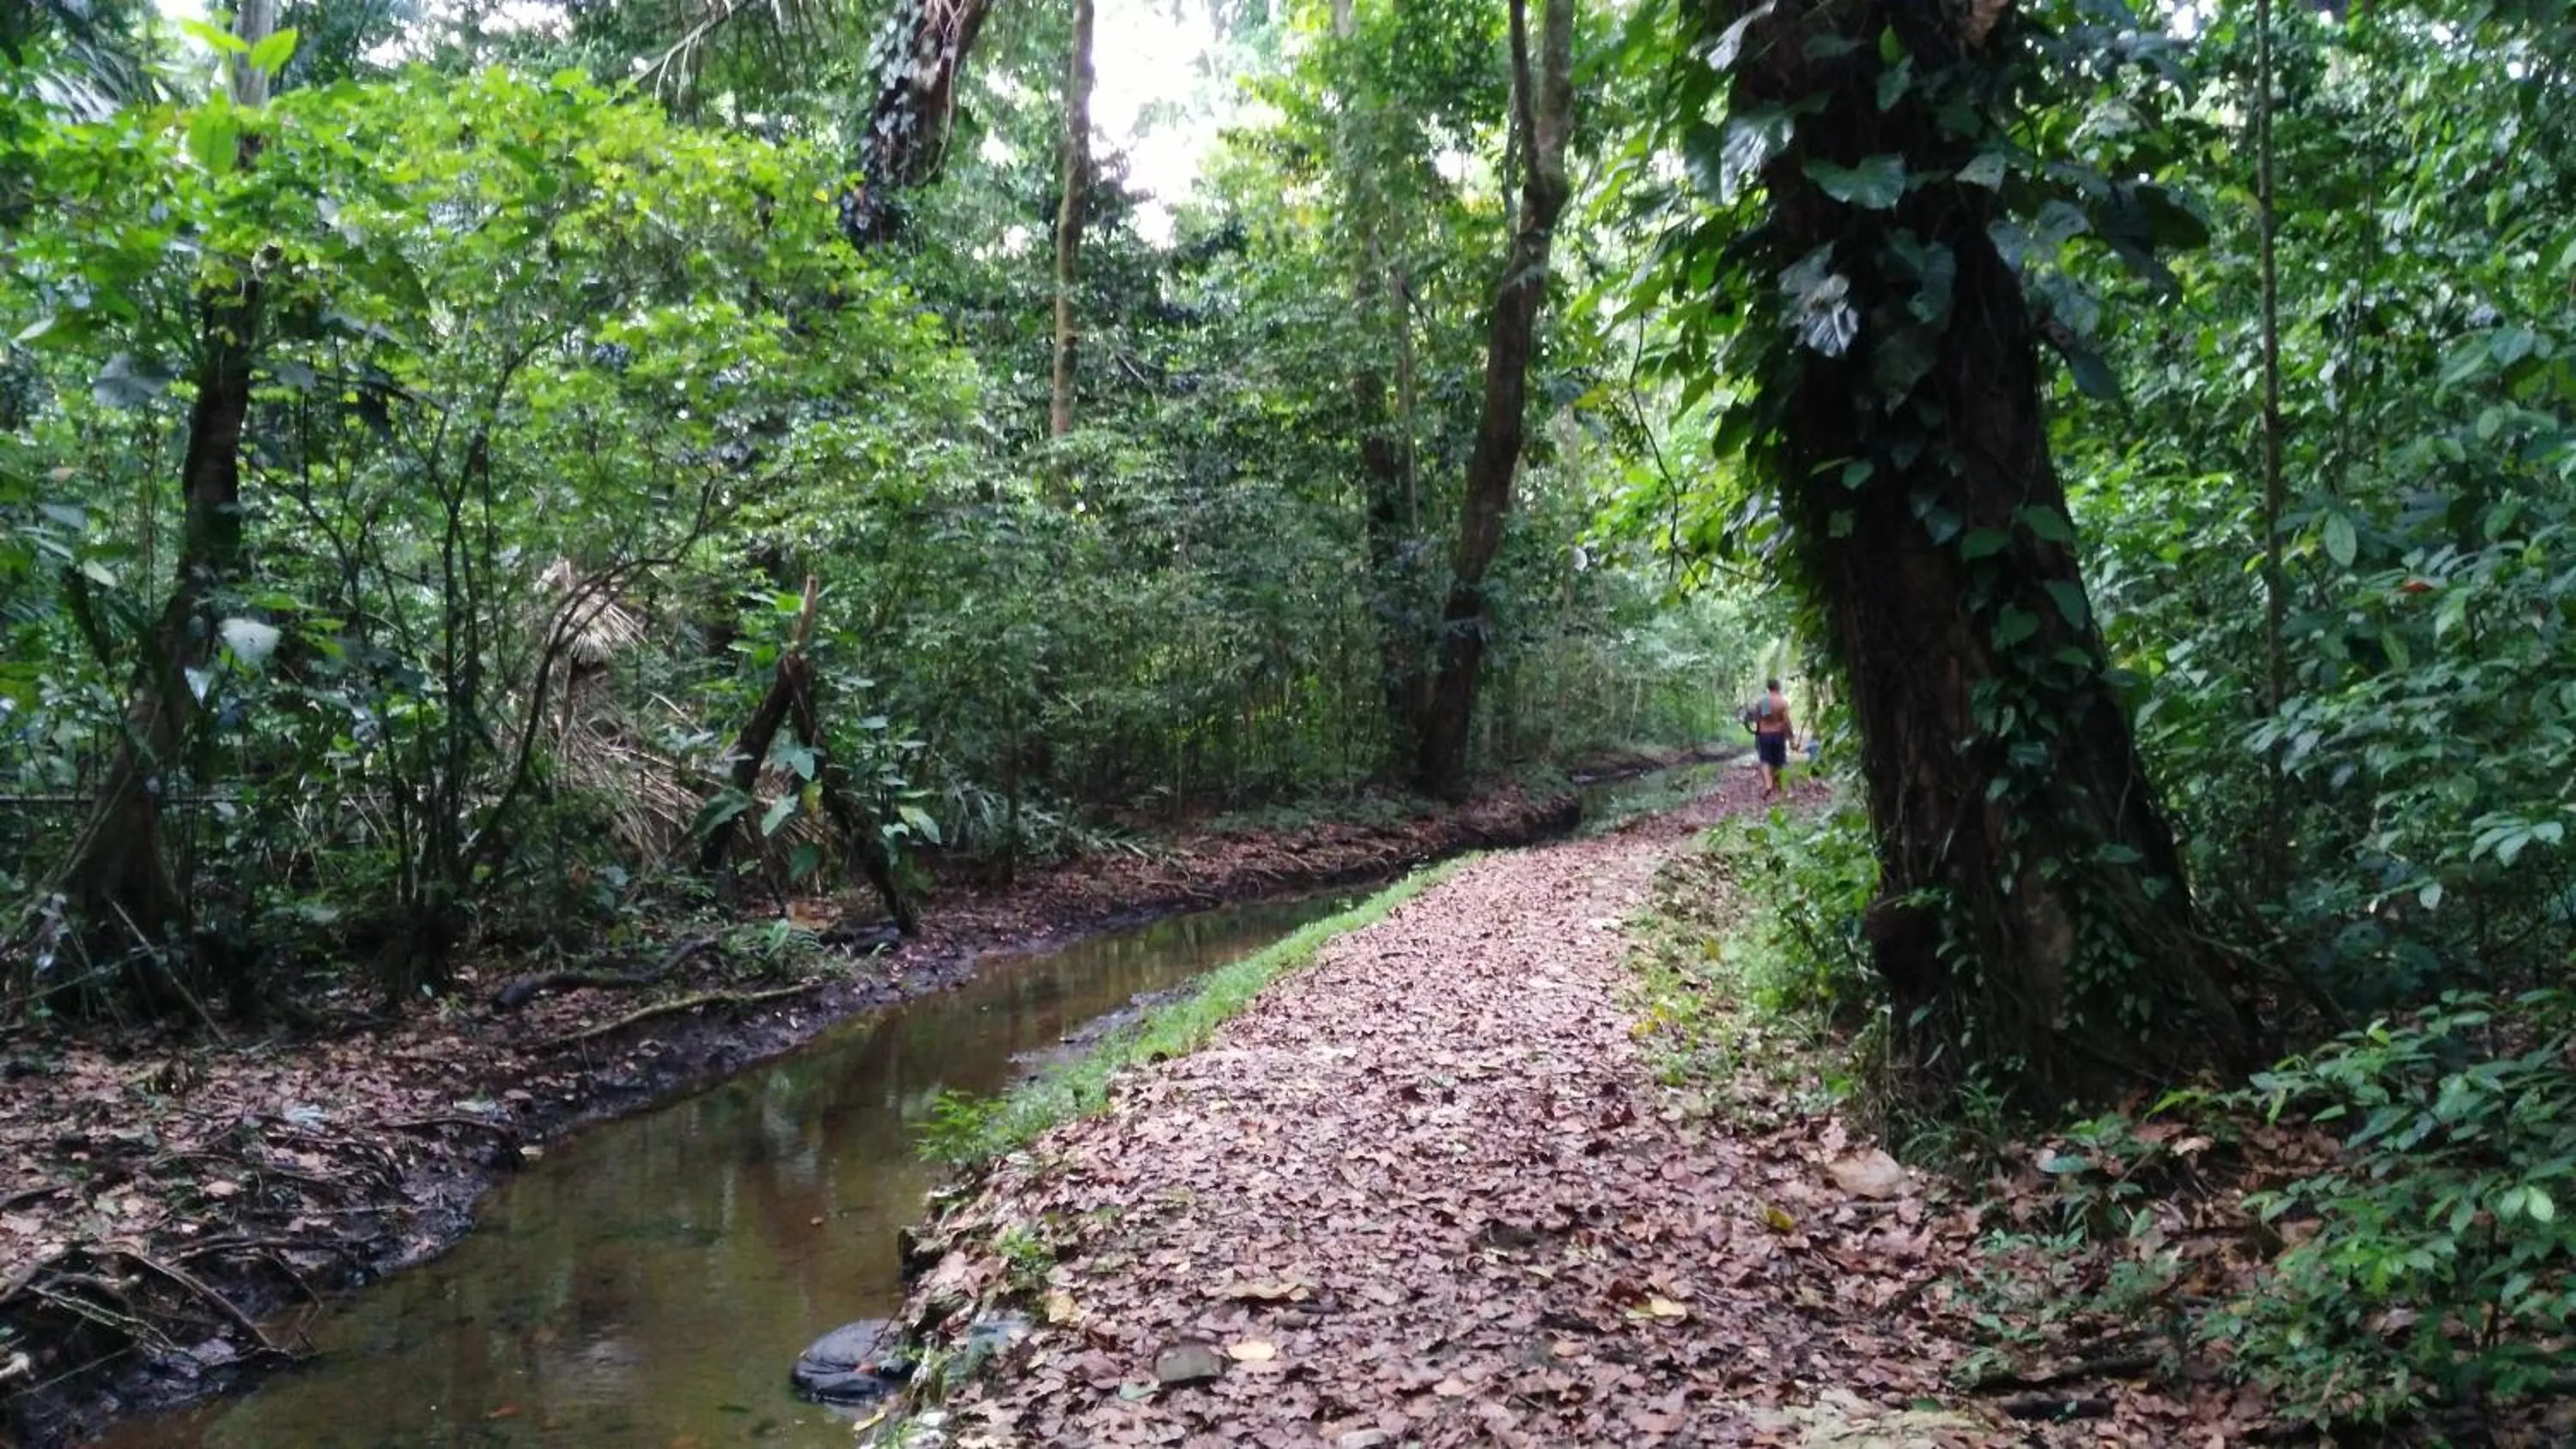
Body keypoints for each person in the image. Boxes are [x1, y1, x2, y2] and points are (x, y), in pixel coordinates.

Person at [1749, 677, 1795, 800]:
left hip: (1765, 734)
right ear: (1778, 687)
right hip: (1778, 734)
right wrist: (1791, 738)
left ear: (1768, 688)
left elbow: (1758, 719)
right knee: (1779, 762)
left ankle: (1768, 784)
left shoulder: (1763, 701)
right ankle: (1780, 790)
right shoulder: (1782, 702)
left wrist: (1758, 733)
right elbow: (1786, 721)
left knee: (1765, 760)